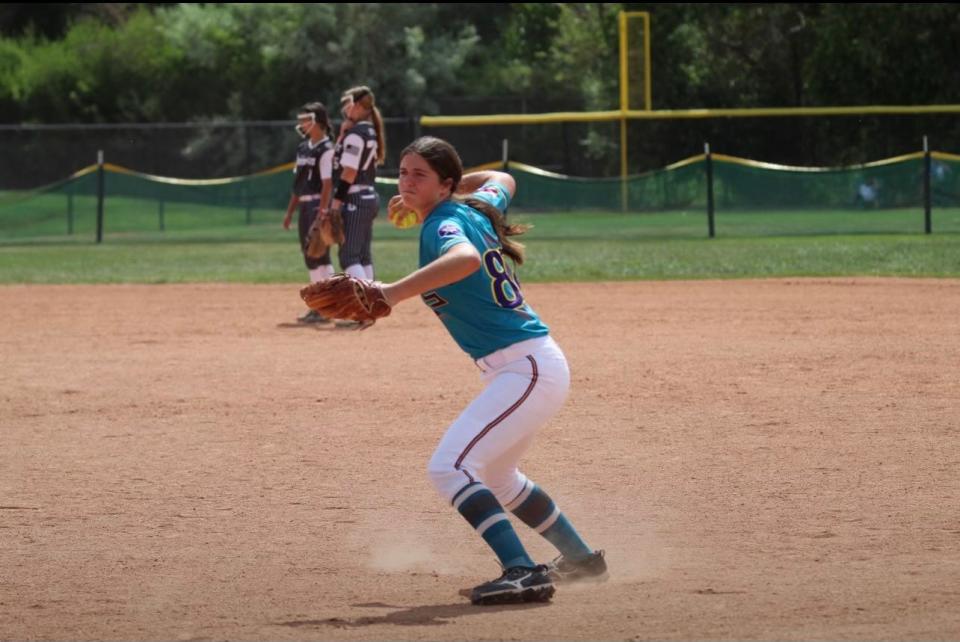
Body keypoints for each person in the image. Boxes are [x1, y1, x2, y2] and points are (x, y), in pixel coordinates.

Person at [377, 136, 607, 606]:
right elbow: (504, 178)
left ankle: (522, 571)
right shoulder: (473, 208)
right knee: (499, 476)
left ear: (444, 185)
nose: (406, 182)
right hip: (530, 365)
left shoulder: (444, 223)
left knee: (449, 467)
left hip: (524, 369)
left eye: (419, 175)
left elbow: (463, 260)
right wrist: (455, 188)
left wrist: (390, 293)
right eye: (403, 173)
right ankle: (581, 560)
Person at [283, 102, 336, 324]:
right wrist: (289, 212)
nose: (302, 123)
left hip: (317, 205)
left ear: (318, 121)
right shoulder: (303, 148)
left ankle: (327, 304)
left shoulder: (326, 149)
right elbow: (298, 184)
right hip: (305, 205)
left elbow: (327, 184)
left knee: (318, 254)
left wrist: (322, 212)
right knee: (312, 255)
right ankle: (324, 305)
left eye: (306, 119)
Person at [327, 85, 386, 283]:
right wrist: (343, 134)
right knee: (362, 255)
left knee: (349, 256)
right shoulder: (367, 131)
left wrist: (336, 203)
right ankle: (370, 306)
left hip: (354, 198)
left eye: (349, 105)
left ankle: (366, 304)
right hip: (367, 196)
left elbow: (349, 171)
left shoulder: (356, 135)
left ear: (359, 106)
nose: (345, 110)